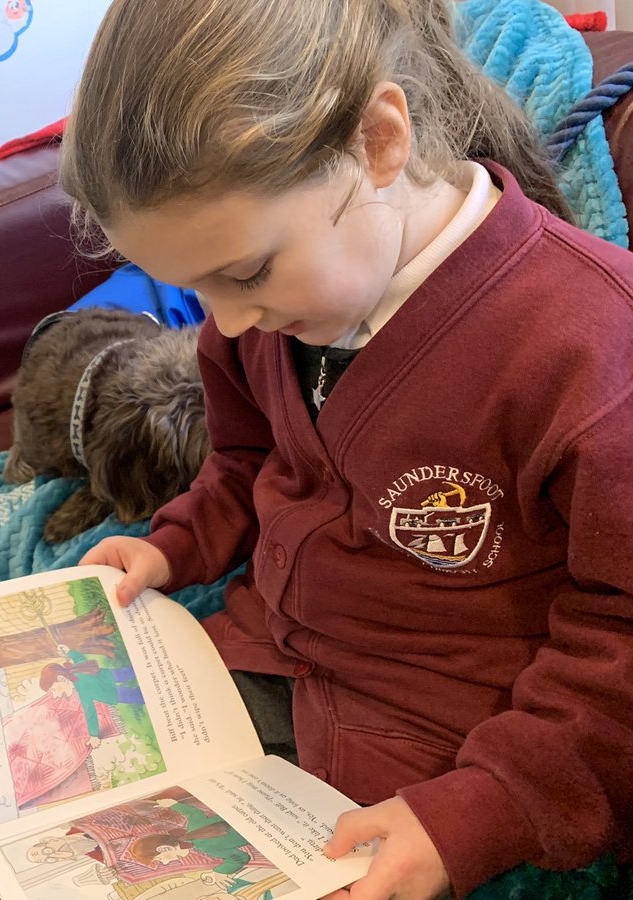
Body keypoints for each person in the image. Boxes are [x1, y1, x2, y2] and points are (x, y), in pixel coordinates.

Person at [59, 1, 633, 898]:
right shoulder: (257, 321)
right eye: (191, 289)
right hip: (262, 662)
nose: (226, 320)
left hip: (448, 759)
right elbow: (246, 465)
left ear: (377, 141)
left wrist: (489, 805)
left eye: (244, 272)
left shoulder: (587, 346)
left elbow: (623, 639)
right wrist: (172, 543)